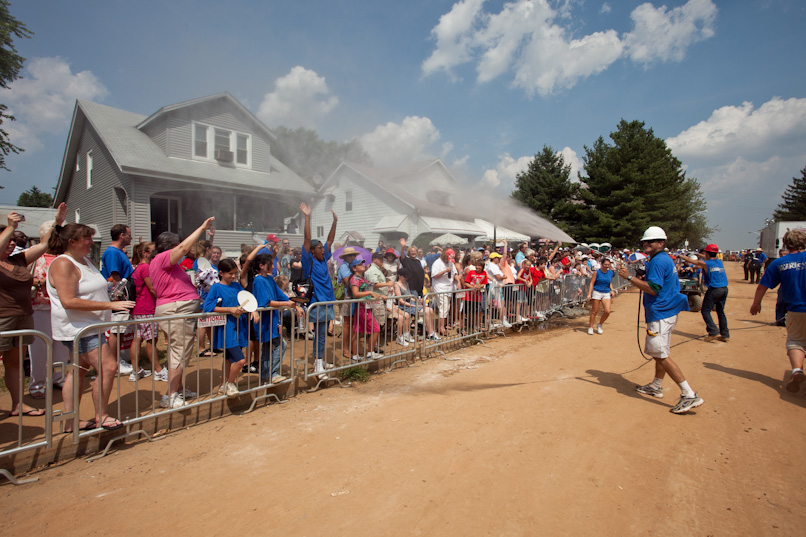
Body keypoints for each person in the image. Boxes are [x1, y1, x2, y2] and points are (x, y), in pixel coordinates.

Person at [47, 220, 134, 431]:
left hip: (90, 325)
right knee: (109, 367)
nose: (90, 241)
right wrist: (110, 304)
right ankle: (101, 416)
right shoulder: (63, 263)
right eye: (86, 238)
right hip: (79, 328)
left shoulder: (84, 260)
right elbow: (68, 300)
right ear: (72, 241)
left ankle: (70, 421)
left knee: (77, 372)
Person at [618, 226, 703, 414]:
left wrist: (630, 277)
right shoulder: (662, 259)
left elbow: (653, 289)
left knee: (659, 353)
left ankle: (688, 394)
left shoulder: (658, 261)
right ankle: (656, 385)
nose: (646, 244)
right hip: (667, 310)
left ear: (661, 243)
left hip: (661, 312)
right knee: (660, 350)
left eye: (650, 241)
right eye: (644, 242)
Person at [1, 204, 66, 417]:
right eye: (7, 240)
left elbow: (45, 244)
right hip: (3, 318)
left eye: (13, 241)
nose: (11, 244)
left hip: (23, 316)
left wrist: (57, 222)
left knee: (14, 363)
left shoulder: (19, 259)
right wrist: (11, 226)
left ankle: (18, 404)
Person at [150, 217, 215, 408]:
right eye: (177, 244)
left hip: (179, 309)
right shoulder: (162, 258)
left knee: (180, 352)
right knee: (179, 353)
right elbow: (184, 249)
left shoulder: (167, 264)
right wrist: (201, 227)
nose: (181, 247)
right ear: (170, 246)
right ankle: (170, 395)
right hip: (176, 309)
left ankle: (177, 389)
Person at [750, 228, 806, 394]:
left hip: (795, 310)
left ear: (786, 244)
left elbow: (762, 286)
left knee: (796, 341)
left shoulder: (779, 263)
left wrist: (756, 304)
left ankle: (796, 370)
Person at [29, 220, 70, 399]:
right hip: (40, 307)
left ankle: (58, 377)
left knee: (61, 346)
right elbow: (21, 276)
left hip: (62, 308)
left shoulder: (65, 257)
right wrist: (37, 282)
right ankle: (37, 383)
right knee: (39, 348)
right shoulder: (34, 257)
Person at [299, 202, 338, 378]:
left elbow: (330, 240)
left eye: (323, 248)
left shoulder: (323, 260)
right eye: (320, 248)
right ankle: (318, 365)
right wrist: (307, 216)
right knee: (320, 335)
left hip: (328, 301)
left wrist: (335, 221)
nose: (324, 249)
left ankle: (320, 361)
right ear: (312, 251)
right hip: (317, 303)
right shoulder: (309, 262)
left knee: (323, 335)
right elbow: (307, 240)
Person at [203, 259, 249, 397]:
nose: (233, 276)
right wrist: (229, 309)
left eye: (235, 273)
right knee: (241, 360)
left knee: (229, 359)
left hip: (239, 327)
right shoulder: (216, 288)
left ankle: (224, 384)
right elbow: (208, 307)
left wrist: (252, 310)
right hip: (227, 328)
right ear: (221, 273)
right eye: (230, 274)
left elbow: (247, 299)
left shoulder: (236, 286)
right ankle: (230, 383)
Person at [250, 253, 294, 384]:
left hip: (273, 319)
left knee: (268, 348)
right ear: (261, 266)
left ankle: (265, 375)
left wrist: (293, 303)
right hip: (265, 321)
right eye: (270, 264)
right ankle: (272, 373)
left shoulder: (269, 279)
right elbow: (266, 302)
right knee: (281, 345)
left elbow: (281, 295)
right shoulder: (258, 280)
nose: (273, 266)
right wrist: (286, 304)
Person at [101, 224, 135, 375]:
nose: (131, 237)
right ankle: (113, 362)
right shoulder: (113, 253)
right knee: (116, 330)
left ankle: (116, 360)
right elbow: (115, 278)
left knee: (120, 330)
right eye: (129, 234)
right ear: (121, 235)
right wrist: (118, 298)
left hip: (123, 297)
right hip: (118, 297)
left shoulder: (118, 252)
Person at [130, 241, 167, 382]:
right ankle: (158, 370)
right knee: (151, 340)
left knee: (138, 338)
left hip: (139, 308)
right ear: (144, 253)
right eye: (152, 250)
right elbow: (152, 288)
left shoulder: (139, 267)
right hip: (146, 307)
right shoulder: (145, 267)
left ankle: (135, 370)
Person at [679, 244, 730, 342]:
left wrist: (680, 256)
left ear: (706, 253)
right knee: (720, 312)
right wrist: (698, 253)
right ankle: (725, 334)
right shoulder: (719, 262)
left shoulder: (706, 264)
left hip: (715, 290)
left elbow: (692, 261)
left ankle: (713, 331)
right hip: (724, 289)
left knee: (705, 311)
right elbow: (707, 257)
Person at [348, 258, 385, 360]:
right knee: (375, 329)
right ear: (354, 268)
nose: (362, 265)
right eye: (359, 264)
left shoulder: (361, 278)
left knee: (357, 331)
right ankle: (370, 353)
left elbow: (370, 286)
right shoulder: (355, 279)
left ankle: (356, 356)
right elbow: (356, 294)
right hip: (362, 307)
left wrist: (379, 295)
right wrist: (370, 293)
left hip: (364, 307)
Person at [430, 248, 458, 335]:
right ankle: (441, 328)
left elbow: (455, 273)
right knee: (443, 307)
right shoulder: (437, 263)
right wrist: (445, 271)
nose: (447, 260)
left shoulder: (451, 263)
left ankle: (442, 326)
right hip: (440, 288)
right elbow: (434, 275)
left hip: (449, 288)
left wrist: (459, 282)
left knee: (446, 308)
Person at [587, 257, 615, 335]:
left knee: (607, 311)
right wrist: (589, 293)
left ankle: (600, 324)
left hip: (606, 292)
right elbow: (591, 283)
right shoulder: (597, 272)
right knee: (595, 311)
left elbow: (610, 282)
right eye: (605, 264)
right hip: (597, 291)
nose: (607, 266)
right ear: (601, 264)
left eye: (608, 265)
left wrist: (612, 290)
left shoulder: (610, 273)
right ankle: (591, 327)